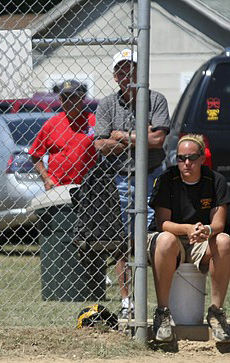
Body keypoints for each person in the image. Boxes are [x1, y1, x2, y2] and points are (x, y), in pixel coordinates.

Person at [94, 48, 171, 319]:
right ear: (115, 75)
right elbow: (101, 145)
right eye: (121, 69)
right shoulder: (106, 104)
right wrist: (138, 136)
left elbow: (157, 141)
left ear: (141, 72)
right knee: (123, 242)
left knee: (157, 239)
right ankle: (128, 303)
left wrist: (120, 135)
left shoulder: (156, 100)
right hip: (120, 179)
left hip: (152, 177)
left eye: (132, 68)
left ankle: (159, 303)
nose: (126, 74)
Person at [147, 135, 230, 345]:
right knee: (165, 239)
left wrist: (206, 230)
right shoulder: (167, 179)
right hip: (172, 238)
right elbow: (162, 223)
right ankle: (162, 313)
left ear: (202, 158)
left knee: (224, 241)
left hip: (201, 239)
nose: (186, 163)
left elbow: (218, 223)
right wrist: (188, 228)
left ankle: (216, 313)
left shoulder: (215, 180)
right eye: (181, 158)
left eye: (192, 158)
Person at [29, 80, 96, 191]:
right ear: (60, 100)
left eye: (73, 97)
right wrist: (46, 179)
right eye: (65, 98)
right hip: (58, 187)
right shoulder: (52, 124)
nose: (69, 101)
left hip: (88, 186)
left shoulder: (93, 121)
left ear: (82, 98)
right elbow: (35, 155)